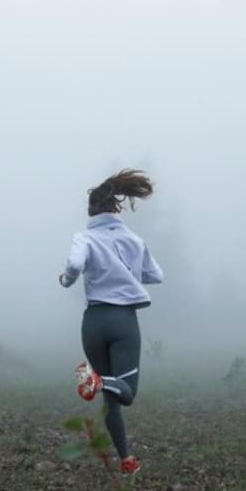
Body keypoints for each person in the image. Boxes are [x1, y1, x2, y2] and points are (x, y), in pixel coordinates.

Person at [58, 169, 163, 475]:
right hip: (122, 322)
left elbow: (75, 265)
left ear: (91, 211)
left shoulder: (85, 237)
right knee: (126, 391)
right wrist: (127, 272)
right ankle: (96, 380)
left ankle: (126, 459)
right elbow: (157, 275)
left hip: (93, 321)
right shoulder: (134, 240)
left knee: (111, 398)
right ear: (116, 208)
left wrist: (66, 280)